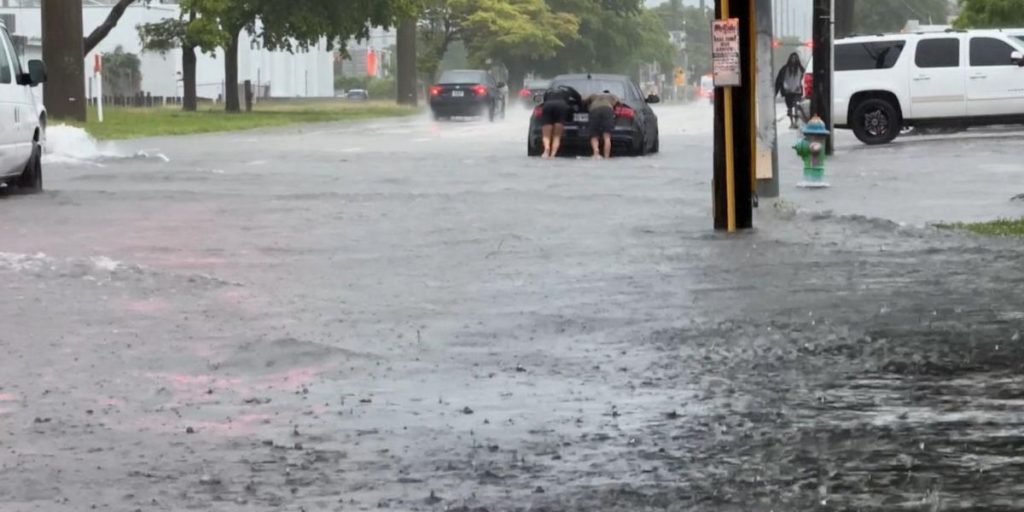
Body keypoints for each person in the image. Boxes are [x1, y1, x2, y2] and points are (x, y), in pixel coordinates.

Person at [538, 86, 579, 158]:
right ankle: (553, 154)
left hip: (548, 105)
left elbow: (544, 100)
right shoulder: (569, 89)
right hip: (562, 106)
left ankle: (546, 148)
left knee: (546, 135)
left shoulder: (549, 90)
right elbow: (578, 98)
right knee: (557, 136)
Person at [585, 90, 619, 159]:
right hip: (607, 110)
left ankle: (596, 151)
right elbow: (619, 103)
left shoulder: (593, 94)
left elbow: (584, 100)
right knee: (607, 136)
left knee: (594, 134)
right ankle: (606, 156)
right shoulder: (612, 95)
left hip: (594, 110)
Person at [775, 52, 806, 129]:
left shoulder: (801, 69)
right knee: (789, 108)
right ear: (790, 59)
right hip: (788, 91)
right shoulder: (784, 69)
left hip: (797, 91)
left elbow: (803, 80)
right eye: (792, 58)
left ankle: (796, 122)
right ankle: (791, 122)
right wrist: (778, 90)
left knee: (796, 106)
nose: (794, 60)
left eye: (795, 58)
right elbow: (780, 80)